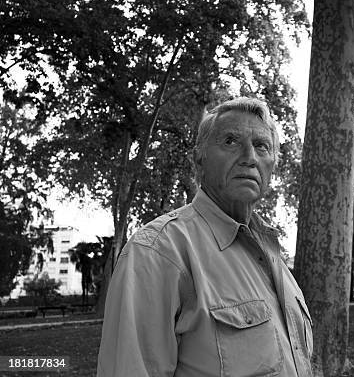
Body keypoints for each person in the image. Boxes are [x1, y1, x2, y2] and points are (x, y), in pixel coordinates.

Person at [97, 97, 313, 377]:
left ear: (272, 164)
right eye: (231, 142)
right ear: (199, 158)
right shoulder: (157, 252)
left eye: (262, 146)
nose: (249, 157)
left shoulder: (274, 257)